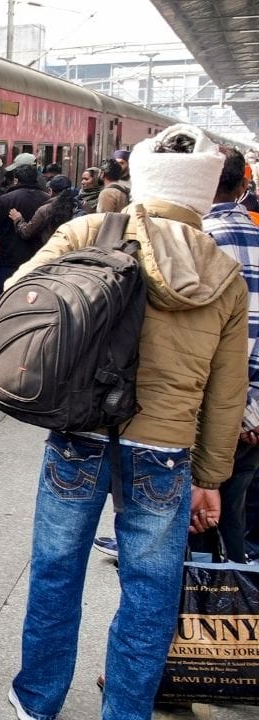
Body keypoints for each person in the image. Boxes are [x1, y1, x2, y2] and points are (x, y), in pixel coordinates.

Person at [7, 124, 248, 720]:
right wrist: (211, 477)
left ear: (143, 179)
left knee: (56, 571)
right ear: (201, 193)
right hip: (165, 450)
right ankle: (126, 710)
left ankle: (37, 699)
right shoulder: (223, 273)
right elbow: (226, 393)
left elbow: (19, 294)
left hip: (81, 432)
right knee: (150, 590)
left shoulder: (90, 231)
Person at [193, 146, 259, 563]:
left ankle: (196, 594)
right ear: (242, 186)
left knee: (192, 518)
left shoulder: (194, 242)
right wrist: (254, 411)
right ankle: (233, 589)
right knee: (232, 512)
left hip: (201, 409)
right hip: (253, 419)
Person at [0, 159, 49, 297]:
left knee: (5, 297)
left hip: (9, 260)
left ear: (16, 180)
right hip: (39, 259)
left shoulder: (5, 200)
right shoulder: (47, 199)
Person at [7, 175, 82, 251]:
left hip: (51, 251)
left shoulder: (45, 210)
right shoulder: (78, 206)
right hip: (73, 251)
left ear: (50, 191)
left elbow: (26, 233)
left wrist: (18, 219)